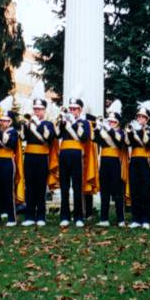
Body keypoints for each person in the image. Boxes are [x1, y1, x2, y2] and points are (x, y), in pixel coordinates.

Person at [20, 82, 57, 227]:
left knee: (41, 187)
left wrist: (38, 125)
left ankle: (41, 215)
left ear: (44, 110)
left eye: (39, 109)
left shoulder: (48, 124)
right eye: (35, 109)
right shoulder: (28, 122)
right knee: (29, 186)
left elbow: (49, 138)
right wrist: (25, 126)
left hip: (42, 157)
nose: (36, 112)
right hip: (29, 156)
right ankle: (29, 215)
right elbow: (22, 138)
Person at [57, 91, 93, 228]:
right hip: (64, 154)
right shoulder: (64, 121)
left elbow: (84, 138)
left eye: (75, 109)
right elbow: (57, 135)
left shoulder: (84, 123)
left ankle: (79, 216)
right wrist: (62, 122)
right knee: (64, 187)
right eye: (71, 108)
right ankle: (64, 215)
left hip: (77, 155)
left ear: (80, 109)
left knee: (77, 187)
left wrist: (73, 123)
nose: (72, 111)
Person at [95, 101, 127, 227]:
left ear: (118, 122)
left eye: (114, 121)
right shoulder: (104, 131)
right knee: (105, 191)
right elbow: (95, 140)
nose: (111, 123)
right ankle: (104, 218)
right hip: (104, 162)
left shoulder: (121, 132)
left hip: (116, 162)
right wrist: (98, 128)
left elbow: (120, 142)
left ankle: (120, 219)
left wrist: (108, 130)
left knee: (118, 192)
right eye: (110, 121)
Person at [0, 96, 20, 227]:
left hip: (8, 161)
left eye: (6, 121)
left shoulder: (13, 132)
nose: (3, 123)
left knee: (8, 189)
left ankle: (12, 217)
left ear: (10, 122)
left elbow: (10, 143)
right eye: (1, 120)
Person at [126, 100, 150, 229]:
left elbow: (149, 144)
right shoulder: (133, 129)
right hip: (134, 160)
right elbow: (127, 143)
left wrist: (142, 130)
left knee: (145, 190)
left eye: (142, 117)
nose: (140, 119)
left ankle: (146, 219)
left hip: (146, 160)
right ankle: (135, 218)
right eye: (138, 116)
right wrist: (129, 133)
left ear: (147, 119)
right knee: (135, 189)